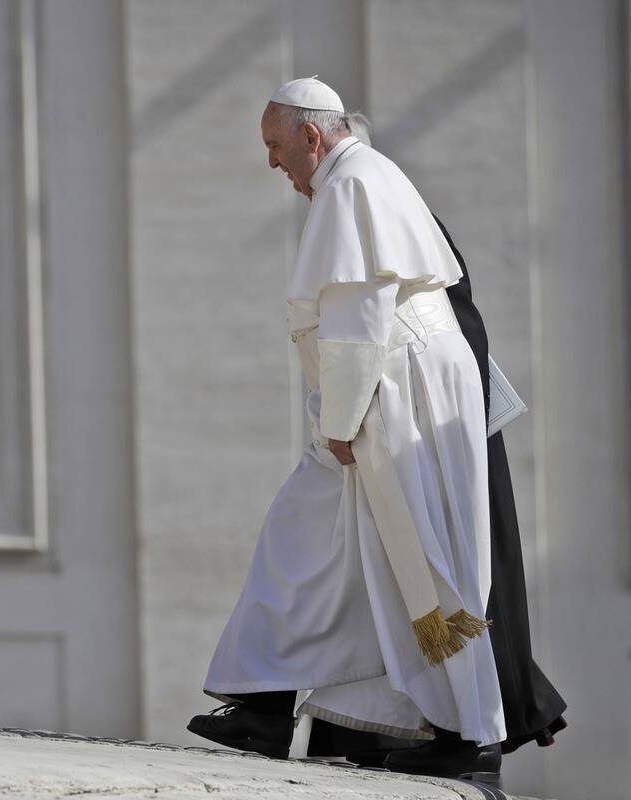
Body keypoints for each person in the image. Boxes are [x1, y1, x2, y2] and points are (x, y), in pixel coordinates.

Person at [187, 78, 505, 783]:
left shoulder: (352, 184)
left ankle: (465, 732)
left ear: (312, 135)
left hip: (393, 384)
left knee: (412, 554)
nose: (272, 163)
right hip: (399, 379)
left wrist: (342, 419)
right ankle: (286, 707)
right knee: (346, 550)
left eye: (275, 146)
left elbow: (359, 312)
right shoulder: (363, 175)